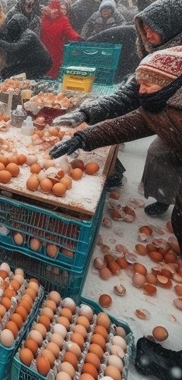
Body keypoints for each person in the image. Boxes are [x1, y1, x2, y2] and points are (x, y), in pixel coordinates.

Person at [53, 0, 182, 215]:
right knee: (159, 153)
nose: (146, 34)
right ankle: (165, 198)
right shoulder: (157, 63)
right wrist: (85, 122)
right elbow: (136, 113)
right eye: (144, 29)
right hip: (173, 128)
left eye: (152, 28)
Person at [49, 46, 182, 257]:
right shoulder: (162, 105)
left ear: (172, 84)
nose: (141, 91)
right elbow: (126, 126)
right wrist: (83, 137)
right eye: (140, 84)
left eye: (148, 84)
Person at [0, 14, 53, 80]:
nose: (10, 31)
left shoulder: (29, 35)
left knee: (19, 78)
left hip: (41, 63)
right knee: (6, 72)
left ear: (20, 28)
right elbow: (1, 37)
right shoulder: (14, 31)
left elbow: (13, 48)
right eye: (10, 28)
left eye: (13, 28)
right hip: (26, 61)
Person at [40, 0, 81, 78]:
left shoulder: (63, 19)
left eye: (57, 11)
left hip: (57, 52)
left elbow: (70, 31)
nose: (55, 13)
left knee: (55, 72)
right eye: (53, 11)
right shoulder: (43, 19)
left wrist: (78, 38)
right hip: (43, 50)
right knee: (44, 71)